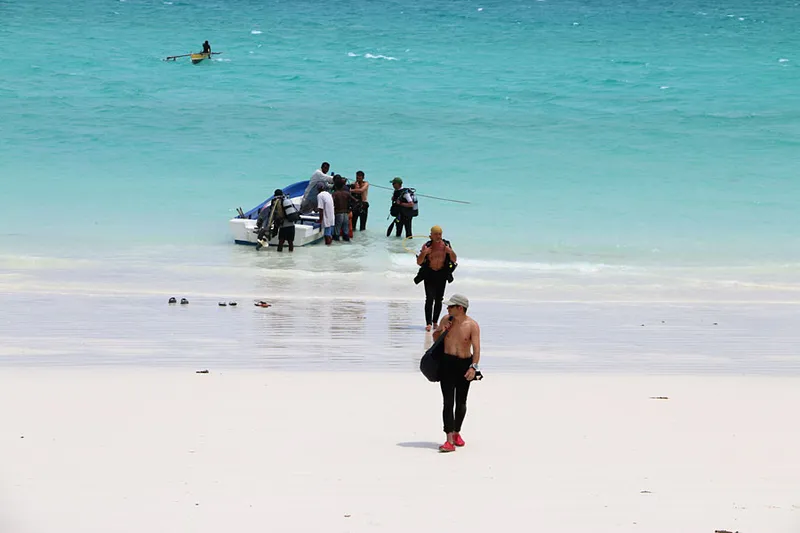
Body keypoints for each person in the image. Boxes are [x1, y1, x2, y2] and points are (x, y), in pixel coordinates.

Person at [432, 294, 480, 453]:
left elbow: (477, 349)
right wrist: (441, 332)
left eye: (451, 306)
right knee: (447, 402)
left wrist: (473, 367)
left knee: (461, 402)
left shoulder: (472, 325)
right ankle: (449, 439)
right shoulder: (446, 320)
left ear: (460, 308)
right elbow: (435, 337)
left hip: (464, 364)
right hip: (447, 363)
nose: (447, 308)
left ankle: (457, 432)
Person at [416, 226, 457, 331]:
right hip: (429, 274)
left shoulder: (446, 245)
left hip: (442, 274)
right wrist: (424, 253)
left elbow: (454, 259)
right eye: (436, 234)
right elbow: (419, 262)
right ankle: (428, 323)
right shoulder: (427, 246)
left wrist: (450, 252)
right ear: (431, 235)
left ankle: (435, 322)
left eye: (440, 234)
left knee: (439, 299)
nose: (438, 236)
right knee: (429, 299)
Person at [331, 176, 354, 242]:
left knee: (337, 231)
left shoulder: (335, 194)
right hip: (346, 213)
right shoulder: (347, 192)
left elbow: (331, 203)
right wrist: (350, 209)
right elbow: (354, 200)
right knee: (346, 231)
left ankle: (337, 246)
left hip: (338, 213)